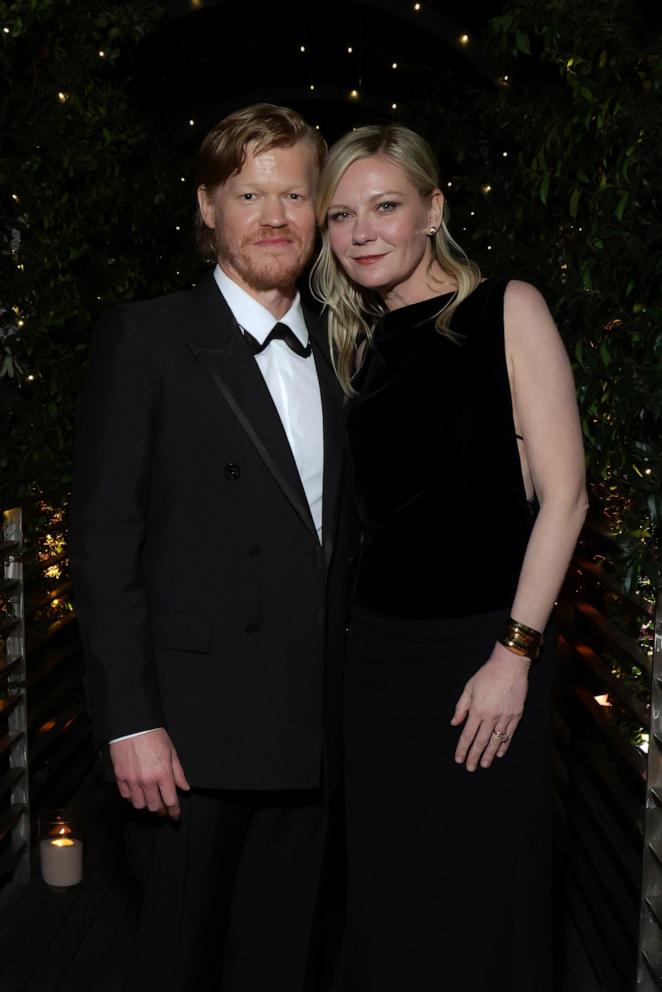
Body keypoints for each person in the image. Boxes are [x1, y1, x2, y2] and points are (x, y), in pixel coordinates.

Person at [69, 103, 354, 992]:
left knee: (282, 963)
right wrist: (129, 718)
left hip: (314, 731)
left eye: (295, 194)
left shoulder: (348, 347)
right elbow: (105, 537)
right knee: (179, 966)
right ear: (206, 206)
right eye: (248, 193)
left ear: (318, 211)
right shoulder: (145, 337)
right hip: (188, 738)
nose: (273, 218)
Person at [311, 123, 588, 991]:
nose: (362, 232)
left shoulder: (508, 307)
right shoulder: (351, 343)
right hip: (376, 665)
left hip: (486, 652)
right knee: (387, 903)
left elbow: (566, 497)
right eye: (341, 215)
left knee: (478, 896)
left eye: (385, 207)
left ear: (433, 210)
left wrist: (514, 654)